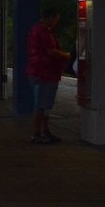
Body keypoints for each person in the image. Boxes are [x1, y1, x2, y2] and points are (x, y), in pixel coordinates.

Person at [26, 8, 70, 144]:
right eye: (56, 20)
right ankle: (37, 134)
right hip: (44, 73)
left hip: (42, 72)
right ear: (50, 18)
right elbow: (51, 51)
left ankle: (44, 131)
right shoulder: (43, 31)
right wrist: (68, 56)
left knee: (44, 105)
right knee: (41, 104)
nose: (56, 23)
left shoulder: (37, 29)